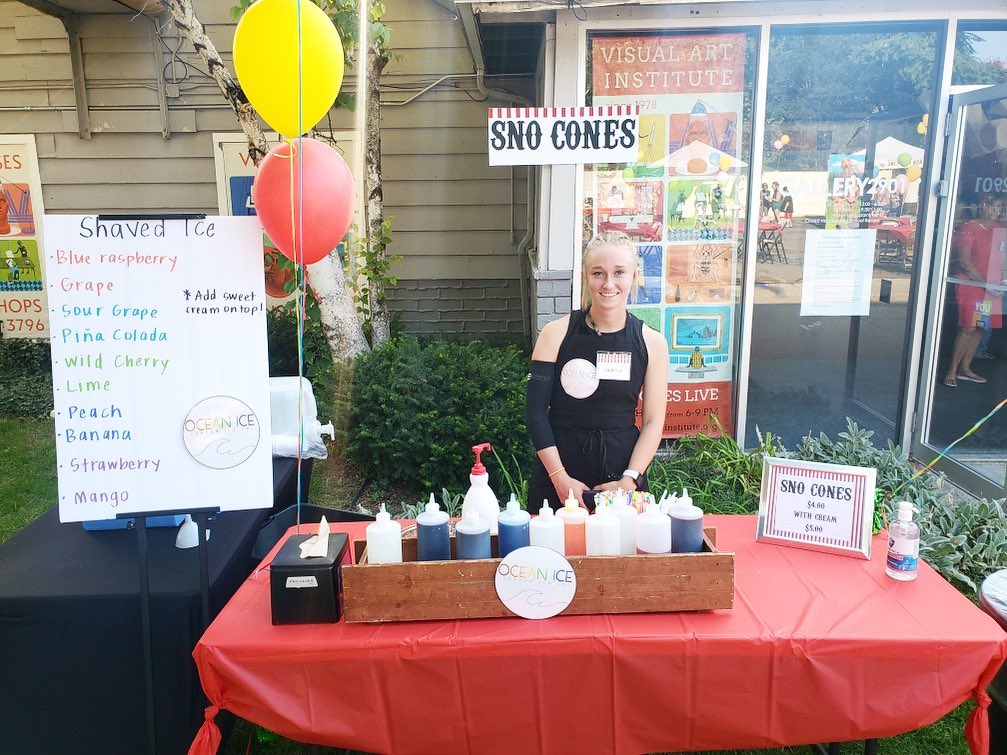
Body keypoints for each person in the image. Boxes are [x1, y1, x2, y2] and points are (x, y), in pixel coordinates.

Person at [525, 231, 669, 511]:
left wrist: (630, 479)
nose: (609, 284)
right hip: (559, 471)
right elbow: (535, 412)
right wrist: (559, 477)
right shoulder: (555, 334)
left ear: (634, 276)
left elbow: (653, 421)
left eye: (619, 273)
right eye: (598, 273)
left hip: (622, 474)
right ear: (585, 277)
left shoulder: (652, 343)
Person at [943, 193, 1005, 388]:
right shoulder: (970, 227)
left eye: (999, 207)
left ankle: (965, 368)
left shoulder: (1001, 229)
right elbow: (965, 262)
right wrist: (988, 285)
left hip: (990, 287)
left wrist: (1001, 282)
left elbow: (1003, 259)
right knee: (968, 327)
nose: (996, 210)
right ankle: (952, 370)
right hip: (971, 284)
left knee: (978, 326)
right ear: (982, 206)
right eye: (992, 205)